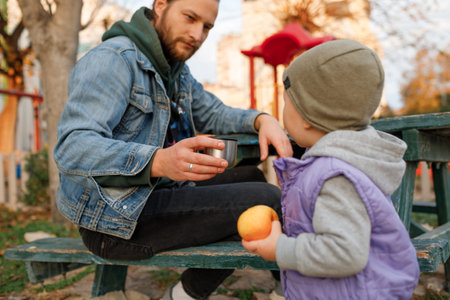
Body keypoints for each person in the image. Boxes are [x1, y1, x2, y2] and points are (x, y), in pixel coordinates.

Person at [53, 0, 293, 299]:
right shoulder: (113, 59)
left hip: (159, 195)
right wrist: (158, 161)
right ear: (161, 5)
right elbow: (72, 148)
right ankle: (290, 291)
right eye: (190, 18)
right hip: (115, 223)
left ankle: (192, 292)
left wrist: (261, 119)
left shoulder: (175, 70)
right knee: (268, 199)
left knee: (253, 179)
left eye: (207, 27)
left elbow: (214, 113)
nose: (197, 34)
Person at [242, 39, 420, 299]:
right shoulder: (346, 163)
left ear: (305, 116)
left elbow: (345, 254)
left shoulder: (334, 175)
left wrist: (281, 249)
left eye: (286, 103)